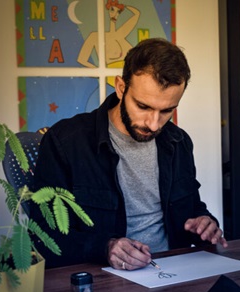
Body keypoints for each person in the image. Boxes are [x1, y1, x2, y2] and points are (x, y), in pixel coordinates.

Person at [33, 38, 228, 270]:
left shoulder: (179, 142)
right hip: (104, 278)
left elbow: (192, 208)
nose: (154, 124)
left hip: (172, 270)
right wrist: (105, 247)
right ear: (121, 87)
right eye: (143, 107)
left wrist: (206, 224)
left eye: (167, 110)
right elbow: (44, 238)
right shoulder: (65, 142)